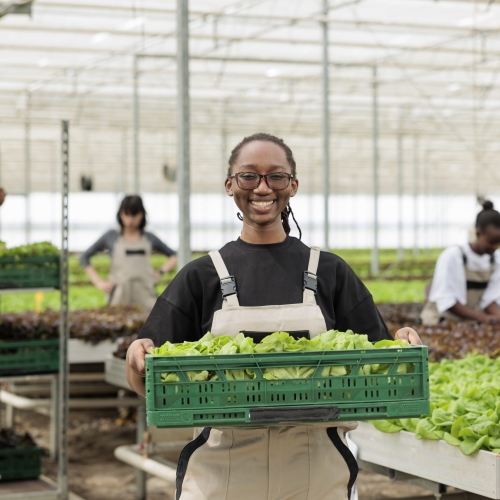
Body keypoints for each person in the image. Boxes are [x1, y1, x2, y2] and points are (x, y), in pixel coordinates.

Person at [126, 133, 422, 500]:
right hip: (221, 480)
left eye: (276, 176)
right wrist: (135, 357)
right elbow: (148, 379)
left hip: (318, 476)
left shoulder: (329, 271)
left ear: (292, 185)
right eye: (249, 176)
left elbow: (381, 366)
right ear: (230, 185)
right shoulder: (201, 276)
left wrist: (402, 348)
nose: (262, 188)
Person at [80, 195, 177, 310]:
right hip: (118, 297)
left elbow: (174, 256)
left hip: (146, 297)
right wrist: (98, 282)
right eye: (126, 214)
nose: (130, 220)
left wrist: (160, 272)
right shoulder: (111, 236)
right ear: (120, 214)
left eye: (134, 215)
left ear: (141, 215)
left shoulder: (149, 237)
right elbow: (84, 257)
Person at [421, 200, 500, 325]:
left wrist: (496, 317)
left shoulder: (496, 260)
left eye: (499, 243)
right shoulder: (453, 256)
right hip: (441, 319)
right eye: (492, 242)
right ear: (478, 234)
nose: (496, 246)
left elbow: (489, 299)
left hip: (468, 321)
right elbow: (447, 301)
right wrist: (483, 318)